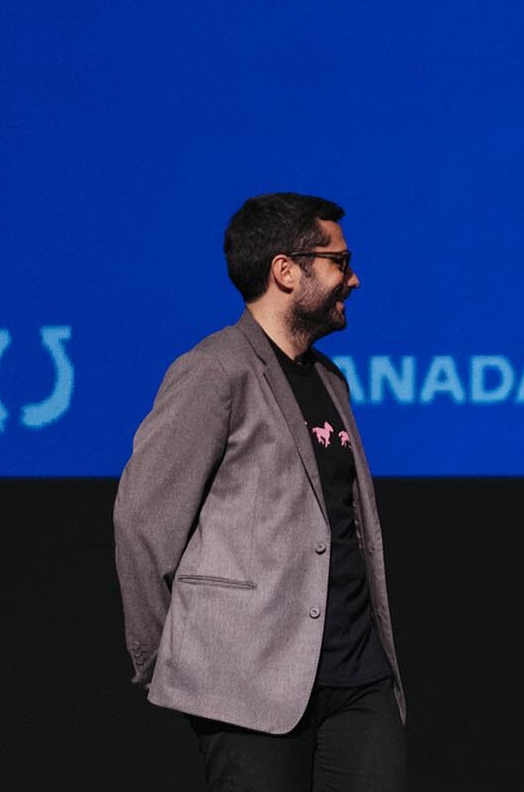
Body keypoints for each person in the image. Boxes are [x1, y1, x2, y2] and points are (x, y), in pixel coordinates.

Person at [114, 192, 406, 792]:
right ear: (285, 270)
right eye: (339, 261)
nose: (355, 278)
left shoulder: (330, 379)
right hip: (248, 683)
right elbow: (143, 524)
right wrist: (164, 663)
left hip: (358, 677)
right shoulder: (214, 370)